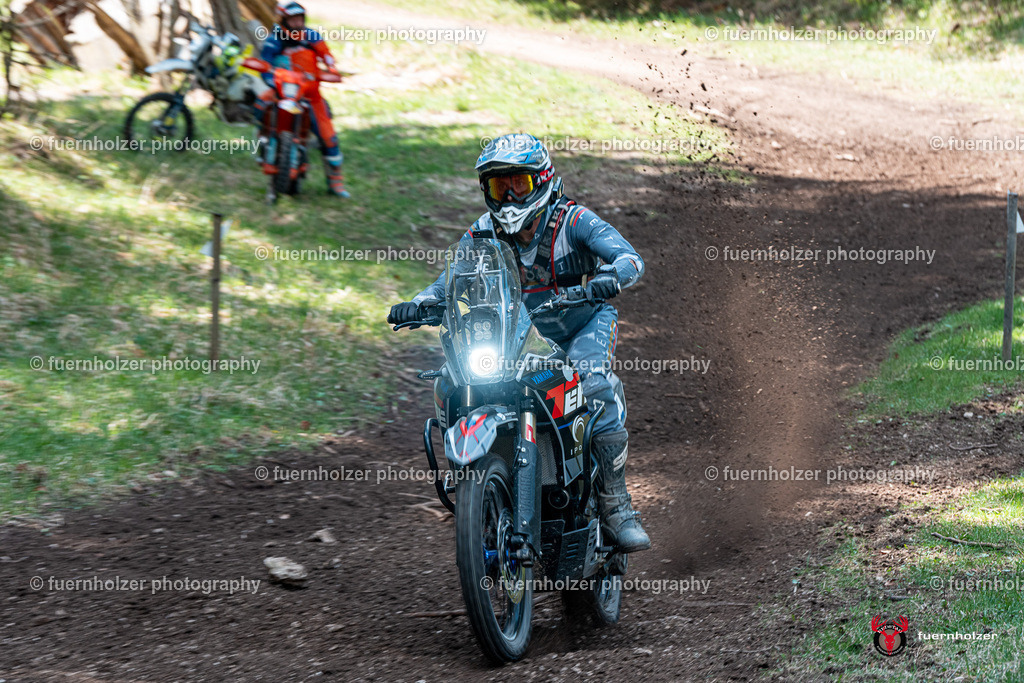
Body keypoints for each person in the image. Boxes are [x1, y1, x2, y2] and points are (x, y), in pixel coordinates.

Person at [388, 133, 650, 552]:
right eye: (498, 186)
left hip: (581, 325)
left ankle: (616, 504)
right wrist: (417, 305)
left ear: (542, 179)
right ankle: (486, 491)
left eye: (519, 184)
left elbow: (630, 258)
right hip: (521, 337)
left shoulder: (573, 220)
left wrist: (609, 277)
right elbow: (446, 283)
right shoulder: (482, 234)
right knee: (456, 382)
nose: (509, 196)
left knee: (593, 383)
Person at [254, 1, 349, 198]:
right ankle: (262, 141)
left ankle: (335, 182)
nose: (297, 23)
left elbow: (326, 55)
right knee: (259, 107)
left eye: (299, 19)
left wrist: (331, 68)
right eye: (292, 19)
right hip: (282, 91)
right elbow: (265, 63)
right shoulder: (274, 39)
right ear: (283, 20)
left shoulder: (312, 36)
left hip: (309, 95)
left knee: (328, 136)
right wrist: (269, 78)